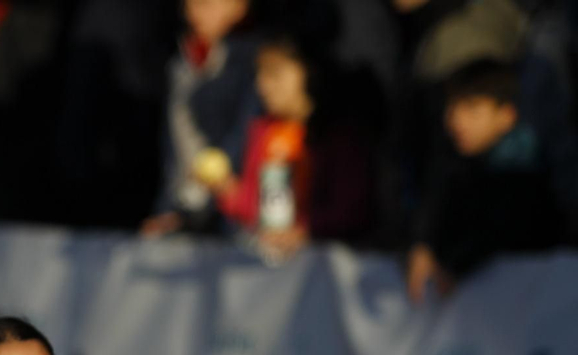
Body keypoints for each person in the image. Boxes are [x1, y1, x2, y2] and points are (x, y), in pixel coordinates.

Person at [200, 33, 376, 259]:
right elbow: (259, 208)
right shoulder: (264, 131)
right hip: (273, 270)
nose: (261, 85)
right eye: (259, 74)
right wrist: (227, 191)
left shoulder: (340, 136)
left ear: (307, 71)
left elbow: (351, 210)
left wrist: (306, 231)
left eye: (274, 73)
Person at [408, 57, 564, 301]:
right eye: (451, 106)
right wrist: (424, 244)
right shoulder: (450, 167)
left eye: (471, 107)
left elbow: (502, 229)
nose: (455, 119)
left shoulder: (524, 175)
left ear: (507, 115)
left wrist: (451, 262)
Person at [142, 0, 261, 237]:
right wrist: (167, 205)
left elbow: (246, 129)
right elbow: (173, 141)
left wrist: (226, 181)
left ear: (240, 7)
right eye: (189, 4)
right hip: (183, 206)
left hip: (236, 212)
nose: (192, 13)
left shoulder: (254, 63)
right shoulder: (178, 60)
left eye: (206, 4)